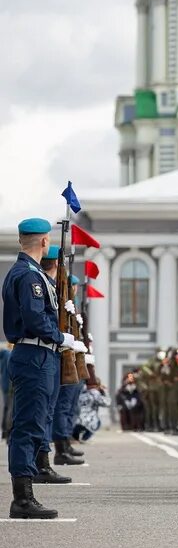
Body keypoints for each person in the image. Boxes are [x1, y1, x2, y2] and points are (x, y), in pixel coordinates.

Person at [5, 218, 87, 519]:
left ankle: (32, 482)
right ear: (43, 242)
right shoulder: (28, 276)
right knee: (27, 426)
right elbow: (34, 318)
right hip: (34, 354)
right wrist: (59, 335)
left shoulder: (33, 273)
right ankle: (22, 499)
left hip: (43, 355)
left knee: (38, 422)